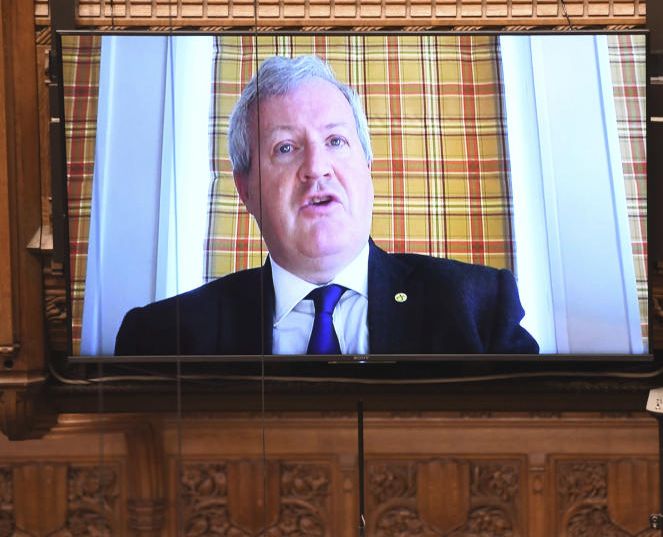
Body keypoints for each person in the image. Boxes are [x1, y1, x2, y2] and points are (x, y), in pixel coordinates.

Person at [114, 55, 538, 356]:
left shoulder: (479, 309)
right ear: (245, 189)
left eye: (335, 141)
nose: (317, 168)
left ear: (367, 166)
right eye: (285, 148)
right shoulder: (161, 339)